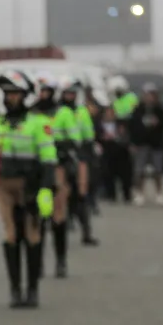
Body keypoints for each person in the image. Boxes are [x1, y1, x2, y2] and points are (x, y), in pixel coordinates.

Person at [0, 70, 56, 308]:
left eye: (14, 93)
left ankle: (32, 290)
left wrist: (46, 189)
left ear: (26, 96)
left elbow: (48, 159)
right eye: (7, 93)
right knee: (10, 235)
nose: (10, 98)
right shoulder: (0, 123)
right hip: (5, 186)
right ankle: (15, 290)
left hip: (30, 186)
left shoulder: (38, 123)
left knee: (32, 235)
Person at [31, 72, 76, 277]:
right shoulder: (30, 113)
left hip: (57, 166)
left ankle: (61, 260)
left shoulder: (63, 113)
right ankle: (37, 262)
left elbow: (74, 139)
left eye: (47, 91)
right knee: (37, 218)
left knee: (58, 216)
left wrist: (57, 145)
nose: (44, 95)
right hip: (36, 169)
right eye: (41, 91)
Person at [60, 78, 100, 246]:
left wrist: (89, 155)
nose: (70, 96)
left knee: (82, 193)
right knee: (62, 192)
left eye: (73, 93)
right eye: (67, 93)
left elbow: (88, 134)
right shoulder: (58, 111)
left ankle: (86, 232)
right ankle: (63, 224)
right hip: (61, 155)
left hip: (80, 155)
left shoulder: (82, 111)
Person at [129, 83, 163, 205]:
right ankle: (139, 193)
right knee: (139, 170)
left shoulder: (160, 109)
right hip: (141, 144)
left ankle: (159, 193)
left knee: (158, 170)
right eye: (147, 94)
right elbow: (133, 127)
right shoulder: (138, 109)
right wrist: (133, 143)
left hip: (156, 144)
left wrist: (158, 122)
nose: (150, 97)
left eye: (152, 94)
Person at [103, 76, 136, 203]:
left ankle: (127, 194)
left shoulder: (131, 98)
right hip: (112, 141)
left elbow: (132, 115)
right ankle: (111, 194)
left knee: (126, 171)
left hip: (125, 139)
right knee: (110, 170)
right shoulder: (113, 101)